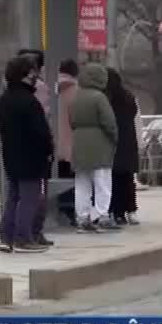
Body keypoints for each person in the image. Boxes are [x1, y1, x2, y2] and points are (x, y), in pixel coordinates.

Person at [0, 56, 53, 253]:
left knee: (13, 197)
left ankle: (7, 237)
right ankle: (23, 238)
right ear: (26, 75)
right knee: (30, 198)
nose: (35, 76)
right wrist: (48, 150)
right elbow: (41, 132)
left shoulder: (3, 101)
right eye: (33, 72)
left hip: (11, 155)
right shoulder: (29, 101)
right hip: (32, 157)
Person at [69, 62, 119, 232]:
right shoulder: (99, 97)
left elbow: (72, 121)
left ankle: (82, 218)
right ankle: (100, 215)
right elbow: (109, 123)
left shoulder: (76, 97)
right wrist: (114, 138)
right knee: (102, 182)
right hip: (100, 144)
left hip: (79, 143)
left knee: (82, 183)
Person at [16, 49, 53, 244]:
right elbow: (43, 118)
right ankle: (32, 232)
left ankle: (17, 233)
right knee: (37, 192)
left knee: (17, 194)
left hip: (16, 148)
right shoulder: (38, 88)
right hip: (36, 149)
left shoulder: (9, 88)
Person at [105, 67, 140, 225]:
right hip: (128, 142)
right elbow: (134, 115)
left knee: (114, 180)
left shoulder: (106, 99)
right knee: (128, 179)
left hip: (112, 143)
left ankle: (117, 212)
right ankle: (131, 210)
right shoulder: (129, 97)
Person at [56, 59, 81, 226]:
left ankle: (61, 209)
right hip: (72, 144)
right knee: (72, 180)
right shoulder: (76, 92)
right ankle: (71, 212)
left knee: (57, 177)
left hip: (54, 143)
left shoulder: (51, 88)